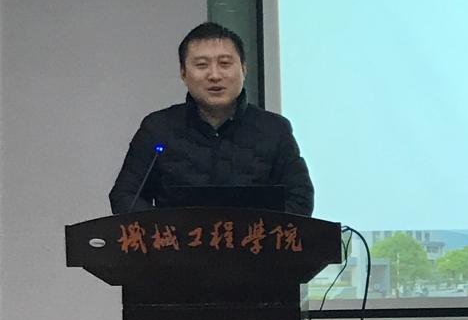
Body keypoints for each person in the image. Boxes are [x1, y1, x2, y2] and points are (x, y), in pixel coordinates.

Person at [109, 22, 314, 215]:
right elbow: (125, 196)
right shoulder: (158, 128)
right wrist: (168, 231)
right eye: (201, 65)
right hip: (177, 241)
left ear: (243, 69)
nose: (214, 75)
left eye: (225, 64)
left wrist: (261, 232)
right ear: (183, 73)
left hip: (256, 239)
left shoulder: (274, 130)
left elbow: (300, 198)